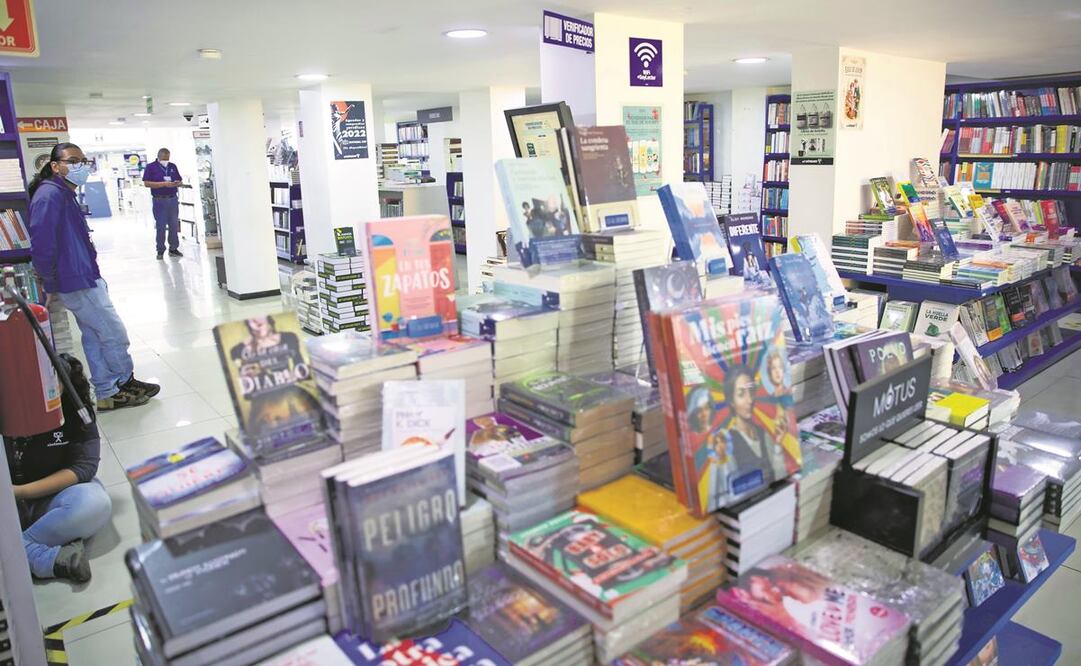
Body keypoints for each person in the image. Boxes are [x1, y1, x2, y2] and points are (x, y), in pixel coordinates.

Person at [28, 142, 160, 411]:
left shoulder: (63, 192)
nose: (80, 166)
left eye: (83, 161)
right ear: (55, 166)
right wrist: (50, 282)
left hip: (84, 275)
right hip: (74, 279)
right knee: (113, 333)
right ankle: (121, 383)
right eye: (73, 161)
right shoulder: (49, 195)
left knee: (95, 335)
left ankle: (108, 390)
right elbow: (42, 243)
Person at [4, 355, 112, 583]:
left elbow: (84, 467)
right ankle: (47, 556)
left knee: (96, 503)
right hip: (5, 505)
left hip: (53, 498)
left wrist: (18, 491)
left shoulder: (76, 410)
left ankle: (18, 550)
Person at [142, 147, 184, 259]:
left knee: (174, 225)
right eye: (164, 158)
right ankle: (160, 250)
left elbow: (179, 181)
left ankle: (173, 248)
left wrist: (177, 183)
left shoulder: (172, 166)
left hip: (172, 199)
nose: (166, 160)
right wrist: (163, 184)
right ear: (159, 156)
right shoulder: (151, 167)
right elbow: (146, 183)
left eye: (168, 158)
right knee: (160, 226)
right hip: (159, 200)